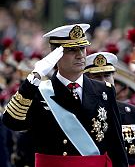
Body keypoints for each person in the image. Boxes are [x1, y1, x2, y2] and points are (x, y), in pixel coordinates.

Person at [1, 24, 128, 167]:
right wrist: (34, 77)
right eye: (72, 50)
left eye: (82, 48)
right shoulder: (39, 91)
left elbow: (116, 146)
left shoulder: (104, 91)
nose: (80, 55)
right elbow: (11, 121)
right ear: (56, 55)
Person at [84, 51, 135, 167]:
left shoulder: (133, 112)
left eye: (107, 75)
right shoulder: (80, 111)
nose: (104, 81)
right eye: (97, 77)